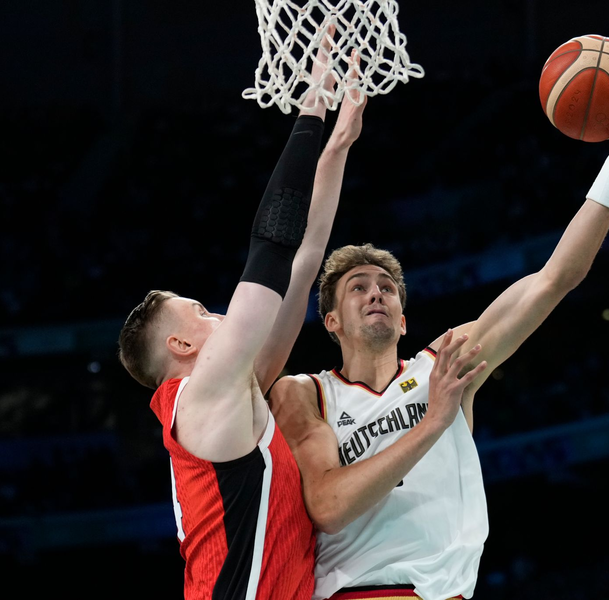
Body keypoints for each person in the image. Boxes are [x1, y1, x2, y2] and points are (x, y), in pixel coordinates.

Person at [268, 66, 609, 600]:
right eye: (358, 288)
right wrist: (433, 423)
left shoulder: (446, 361)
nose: (376, 293)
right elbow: (329, 508)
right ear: (331, 322)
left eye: (386, 287)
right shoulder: (303, 393)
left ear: (404, 319)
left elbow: (555, 279)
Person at [116, 45, 368, 599]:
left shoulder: (233, 394)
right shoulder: (204, 395)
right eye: (202, 311)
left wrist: (337, 148)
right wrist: (310, 113)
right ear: (181, 343)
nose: (220, 312)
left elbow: (302, 265)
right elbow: (272, 246)